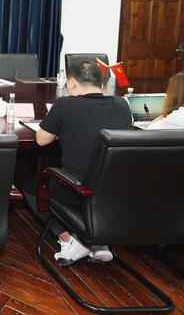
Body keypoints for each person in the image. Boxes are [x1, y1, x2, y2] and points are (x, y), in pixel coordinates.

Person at [31, 61, 132, 266]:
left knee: (32, 186)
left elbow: (41, 140)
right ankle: (97, 242)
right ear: (102, 84)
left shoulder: (65, 104)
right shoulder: (122, 104)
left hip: (76, 188)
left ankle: (70, 240)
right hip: (114, 188)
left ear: (71, 83)